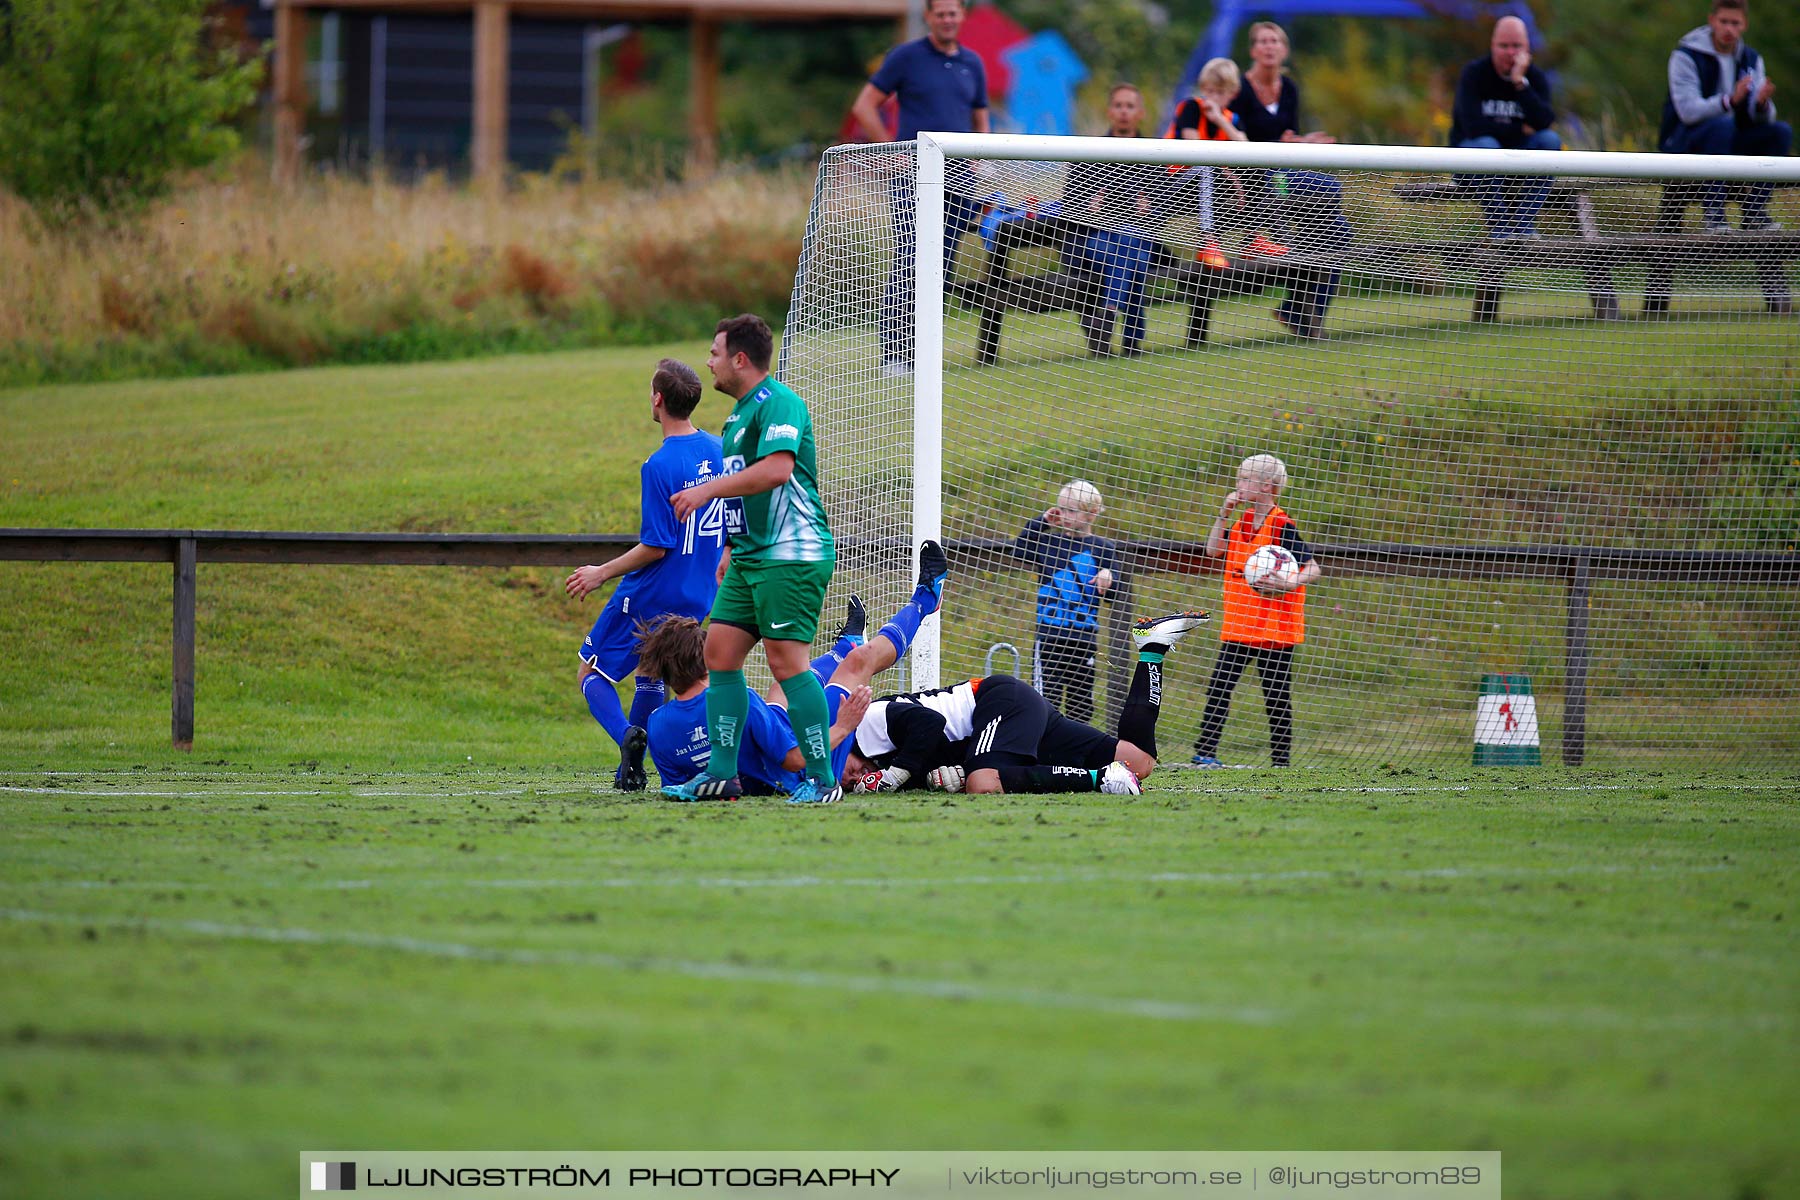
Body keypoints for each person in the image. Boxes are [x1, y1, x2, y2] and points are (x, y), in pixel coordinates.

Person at [667, 314, 840, 805]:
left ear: (740, 359)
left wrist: (706, 490)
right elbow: (746, 488)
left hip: (791, 553)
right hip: (749, 556)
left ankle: (824, 780)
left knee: (787, 664)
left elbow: (777, 470)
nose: (709, 362)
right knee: (718, 653)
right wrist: (727, 547)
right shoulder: (737, 416)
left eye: (715, 353)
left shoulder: (780, 403)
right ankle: (722, 774)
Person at [641, 542, 948, 801]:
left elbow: (680, 790)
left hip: (767, 753)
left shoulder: (656, 725)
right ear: (708, 659)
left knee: (782, 688)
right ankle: (925, 600)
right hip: (802, 772)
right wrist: (843, 726)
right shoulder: (739, 701)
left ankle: (846, 644)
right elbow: (796, 759)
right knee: (859, 663)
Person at [564, 358, 724, 792]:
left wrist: (601, 572)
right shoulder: (720, 449)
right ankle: (628, 772)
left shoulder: (658, 465)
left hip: (652, 592)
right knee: (652, 673)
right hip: (699, 593)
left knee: (590, 674)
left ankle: (627, 739)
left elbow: (657, 544)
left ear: (658, 400)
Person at [840, 609, 1212, 796]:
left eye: (846, 769)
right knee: (1139, 762)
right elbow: (932, 758)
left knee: (983, 783)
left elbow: (928, 726)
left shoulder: (866, 718)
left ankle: (1100, 780)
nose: (854, 776)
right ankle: (1152, 649)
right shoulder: (873, 762)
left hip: (998, 702)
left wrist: (899, 774)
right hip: (1014, 718)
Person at [850, 0, 991, 377]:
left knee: (944, 262)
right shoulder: (906, 57)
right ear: (929, 17)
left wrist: (982, 152)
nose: (947, 19)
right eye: (940, 13)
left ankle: (924, 350)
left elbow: (980, 116)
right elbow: (864, 106)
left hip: (961, 179)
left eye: (953, 13)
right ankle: (895, 355)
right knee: (911, 259)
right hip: (915, 178)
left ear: (963, 16)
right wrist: (892, 152)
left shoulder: (972, 63)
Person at [1190, 454, 1322, 769]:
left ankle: (1281, 762)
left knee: (1276, 697)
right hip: (1240, 625)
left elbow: (1313, 568)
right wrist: (1222, 516)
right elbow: (1213, 550)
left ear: (1266, 486)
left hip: (1275, 630)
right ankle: (1205, 754)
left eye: (1244, 479)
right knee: (1219, 687)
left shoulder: (1282, 525)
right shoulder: (1242, 521)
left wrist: (1289, 583)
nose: (1238, 485)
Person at [1233, 20, 1350, 338]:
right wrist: (1286, 145)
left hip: (1285, 178)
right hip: (1256, 181)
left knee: (1340, 231)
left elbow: (1286, 139)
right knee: (1331, 188)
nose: (1270, 46)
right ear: (1253, 49)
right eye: (1263, 41)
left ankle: (1297, 313)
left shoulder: (1290, 90)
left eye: (1276, 41)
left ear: (1284, 50)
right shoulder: (1239, 90)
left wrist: (1303, 142)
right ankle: (1270, 241)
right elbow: (1235, 141)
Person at [1659, 0, 1790, 232]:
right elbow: (1689, 112)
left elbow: (1759, 117)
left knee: (1780, 132)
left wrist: (1761, 104)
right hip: (1685, 144)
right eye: (1724, 22)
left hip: (1729, 142)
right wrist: (1729, 100)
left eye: (1735, 23)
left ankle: (1754, 212)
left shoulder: (1751, 58)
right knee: (1721, 126)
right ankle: (1714, 215)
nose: (1729, 29)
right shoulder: (1686, 55)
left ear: (1744, 25)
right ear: (1712, 21)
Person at [1066, 84, 1165, 357]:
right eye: (1119, 105)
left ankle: (1108, 316)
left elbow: (1164, 209)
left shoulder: (1155, 157)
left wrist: (1149, 209)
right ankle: (1131, 340)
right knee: (1129, 249)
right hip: (1096, 244)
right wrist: (1090, 207)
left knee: (1131, 242)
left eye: (1130, 106)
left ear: (1141, 113)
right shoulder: (1090, 155)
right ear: (1110, 111)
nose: (1124, 111)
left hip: (1142, 242)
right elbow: (1070, 207)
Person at [1013, 480, 1119, 724]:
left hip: (1083, 638)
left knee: (1080, 702)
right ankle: (1041, 751)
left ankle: (1076, 752)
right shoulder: (1049, 542)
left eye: (1072, 510)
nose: (1065, 515)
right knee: (1043, 700)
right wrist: (1042, 522)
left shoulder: (1103, 548)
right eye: (1061, 509)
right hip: (1049, 636)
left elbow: (1113, 594)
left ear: (1092, 513)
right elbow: (1019, 549)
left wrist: (1108, 577)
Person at [1450, 16, 1563, 239]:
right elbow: (1474, 128)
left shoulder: (1535, 78)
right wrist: (1520, 131)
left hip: (1517, 164)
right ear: (1492, 46)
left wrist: (1519, 83)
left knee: (1550, 141)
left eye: (1516, 46)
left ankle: (1523, 227)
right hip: (1473, 163)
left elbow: (1544, 122)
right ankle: (1501, 228)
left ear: (1527, 48)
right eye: (1504, 46)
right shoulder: (1474, 74)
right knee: (1487, 144)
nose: (1510, 53)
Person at [1166, 57, 1247, 271]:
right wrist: (1229, 175)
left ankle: (1253, 239)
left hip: (1211, 188)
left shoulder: (1232, 119)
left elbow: (1248, 150)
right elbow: (1196, 150)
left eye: (1220, 93)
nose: (1213, 98)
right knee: (1206, 167)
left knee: (1256, 170)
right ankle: (1207, 241)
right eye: (1210, 91)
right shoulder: (1191, 108)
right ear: (1202, 89)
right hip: (1175, 184)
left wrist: (1220, 120)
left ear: (1232, 93)